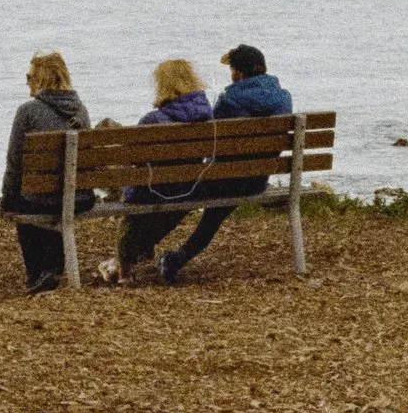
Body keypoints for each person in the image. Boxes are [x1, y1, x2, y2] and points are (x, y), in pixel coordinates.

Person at [151, 41, 295, 285]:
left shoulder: (229, 101)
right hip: (257, 181)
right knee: (213, 214)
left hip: (225, 180)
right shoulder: (283, 99)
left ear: (238, 73)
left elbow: (209, 143)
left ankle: (142, 249)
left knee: (179, 195)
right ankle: (174, 259)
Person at [104, 55, 217, 285]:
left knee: (131, 205)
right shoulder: (209, 117)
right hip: (188, 189)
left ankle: (124, 269)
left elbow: (133, 158)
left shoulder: (152, 121)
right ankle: (138, 253)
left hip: (153, 191)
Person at [0, 50, 93, 291]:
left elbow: (15, 162)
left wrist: (8, 200)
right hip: (81, 197)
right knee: (47, 196)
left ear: (40, 79)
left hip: (43, 198)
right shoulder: (81, 111)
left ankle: (38, 274)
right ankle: (54, 269)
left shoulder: (27, 112)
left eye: (29, 77)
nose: (27, 83)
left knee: (28, 201)